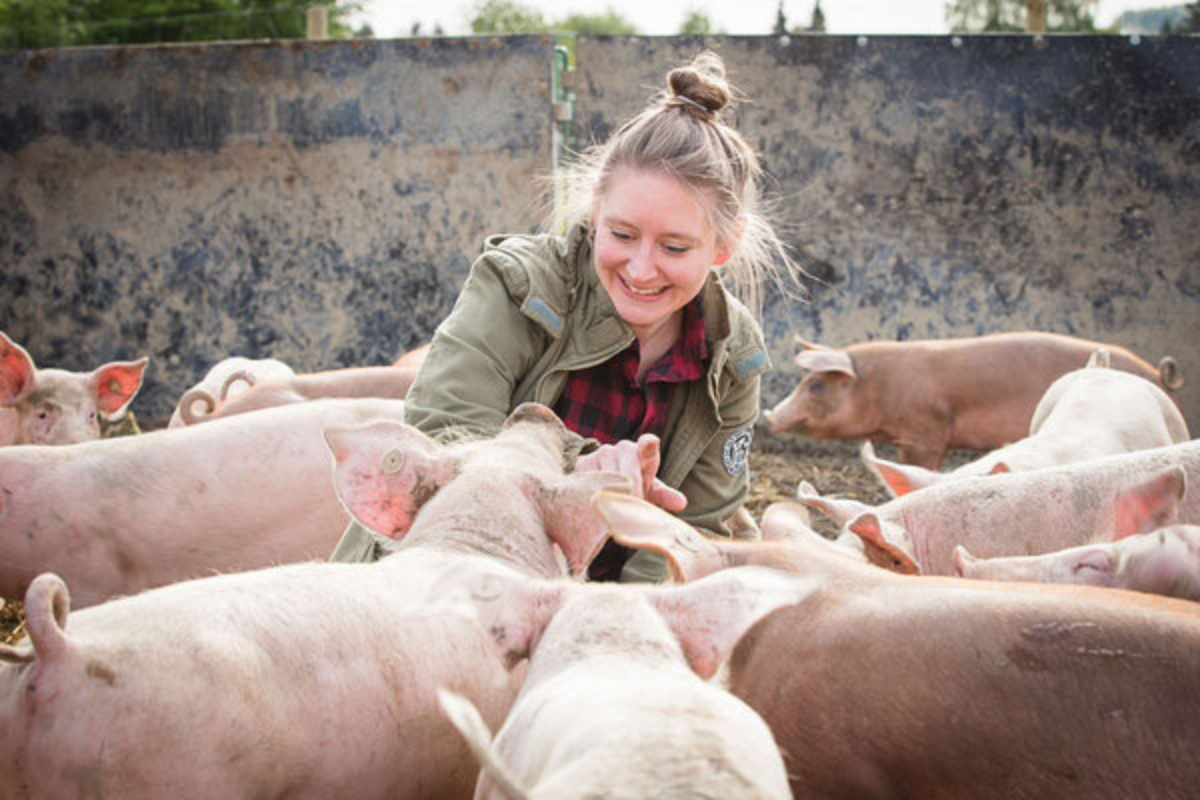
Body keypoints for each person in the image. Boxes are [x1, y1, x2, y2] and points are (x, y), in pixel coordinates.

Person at [330, 50, 808, 582]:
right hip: (456, 577)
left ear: (724, 245)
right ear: (595, 209)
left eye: (674, 247)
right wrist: (582, 470)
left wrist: (617, 630)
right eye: (622, 235)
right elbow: (444, 435)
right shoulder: (517, 286)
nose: (641, 268)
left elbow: (694, 529)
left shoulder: (733, 357)